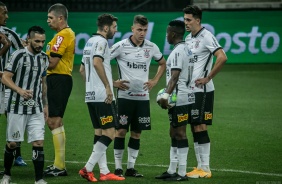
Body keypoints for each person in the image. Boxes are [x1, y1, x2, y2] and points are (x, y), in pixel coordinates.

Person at [110, 14, 166, 177]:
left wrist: (155, 81)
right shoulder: (120, 46)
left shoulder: (151, 47)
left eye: (145, 30)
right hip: (124, 97)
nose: (142, 33)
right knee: (120, 131)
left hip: (142, 98)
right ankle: (118, 167)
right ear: (132, 29)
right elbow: (102, 61)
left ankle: (131, 167)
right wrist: (113, 83)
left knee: (137, 132)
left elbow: (163, 63)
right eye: (139, 29)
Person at [78, 13, 125, 182]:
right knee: (111, 132)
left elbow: (82, 70)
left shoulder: (89, 43)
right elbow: (97, 62)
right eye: (114, 27)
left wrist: (92, 85)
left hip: (90, 95)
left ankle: (104, 171)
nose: (115, 31)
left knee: (99, 132)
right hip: (102, 96)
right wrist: (107, 86)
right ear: (106, 28)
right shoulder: (102, 42)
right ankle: (88, 168)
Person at [0, 25, 49, 184]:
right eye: (36, 41)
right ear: (28, 39)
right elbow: (5, 77)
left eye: (42, 41)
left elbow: (43, 82)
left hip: (36, 108)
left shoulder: (44, 58)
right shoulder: (18, 55)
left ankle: (39, 179)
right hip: (16, 106)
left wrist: (46, 104)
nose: (40, 45)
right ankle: (6, 175)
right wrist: (20, 90)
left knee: (38, 142)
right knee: (13, 143)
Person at [183, 5, 227, 178]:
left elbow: (222, 56)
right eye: (185, 19)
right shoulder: (188, 38)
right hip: (191, 90)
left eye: (189, 19)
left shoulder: (207, 36)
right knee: (194, 126)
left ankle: (206, 168)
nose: (186, 22)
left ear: (198, 20)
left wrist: (208, 77)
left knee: (200, 125)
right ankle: (200, 166)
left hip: (203, 90)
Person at [154, 20, 194, 181]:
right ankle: (171, 170)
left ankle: (182, 172)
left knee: (180, 133)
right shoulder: (186, 49)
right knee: (173, 132)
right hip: (179, 98)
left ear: (173, 34)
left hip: (181, 98)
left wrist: (165, 96)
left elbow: (175, 76)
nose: (166, 36)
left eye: (167, 33)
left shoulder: (178, 52)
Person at [43, 3, 75, 177]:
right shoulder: (61, 35)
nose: (48, 21)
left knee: (53, 121)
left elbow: (52, 63)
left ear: (60, 18)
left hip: (59, 79)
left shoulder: (63, 35)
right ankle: (58, 164)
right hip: (58, 79)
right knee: (55, 122)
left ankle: (60, 167)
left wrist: (37, 57)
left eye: (50, 18)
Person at [0, 1, 27, 170]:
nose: (7, 16)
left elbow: (23, 55)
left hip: (7, 86)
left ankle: (17, 155)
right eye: (4, 12)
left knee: (12, 119)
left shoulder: (9, 33)